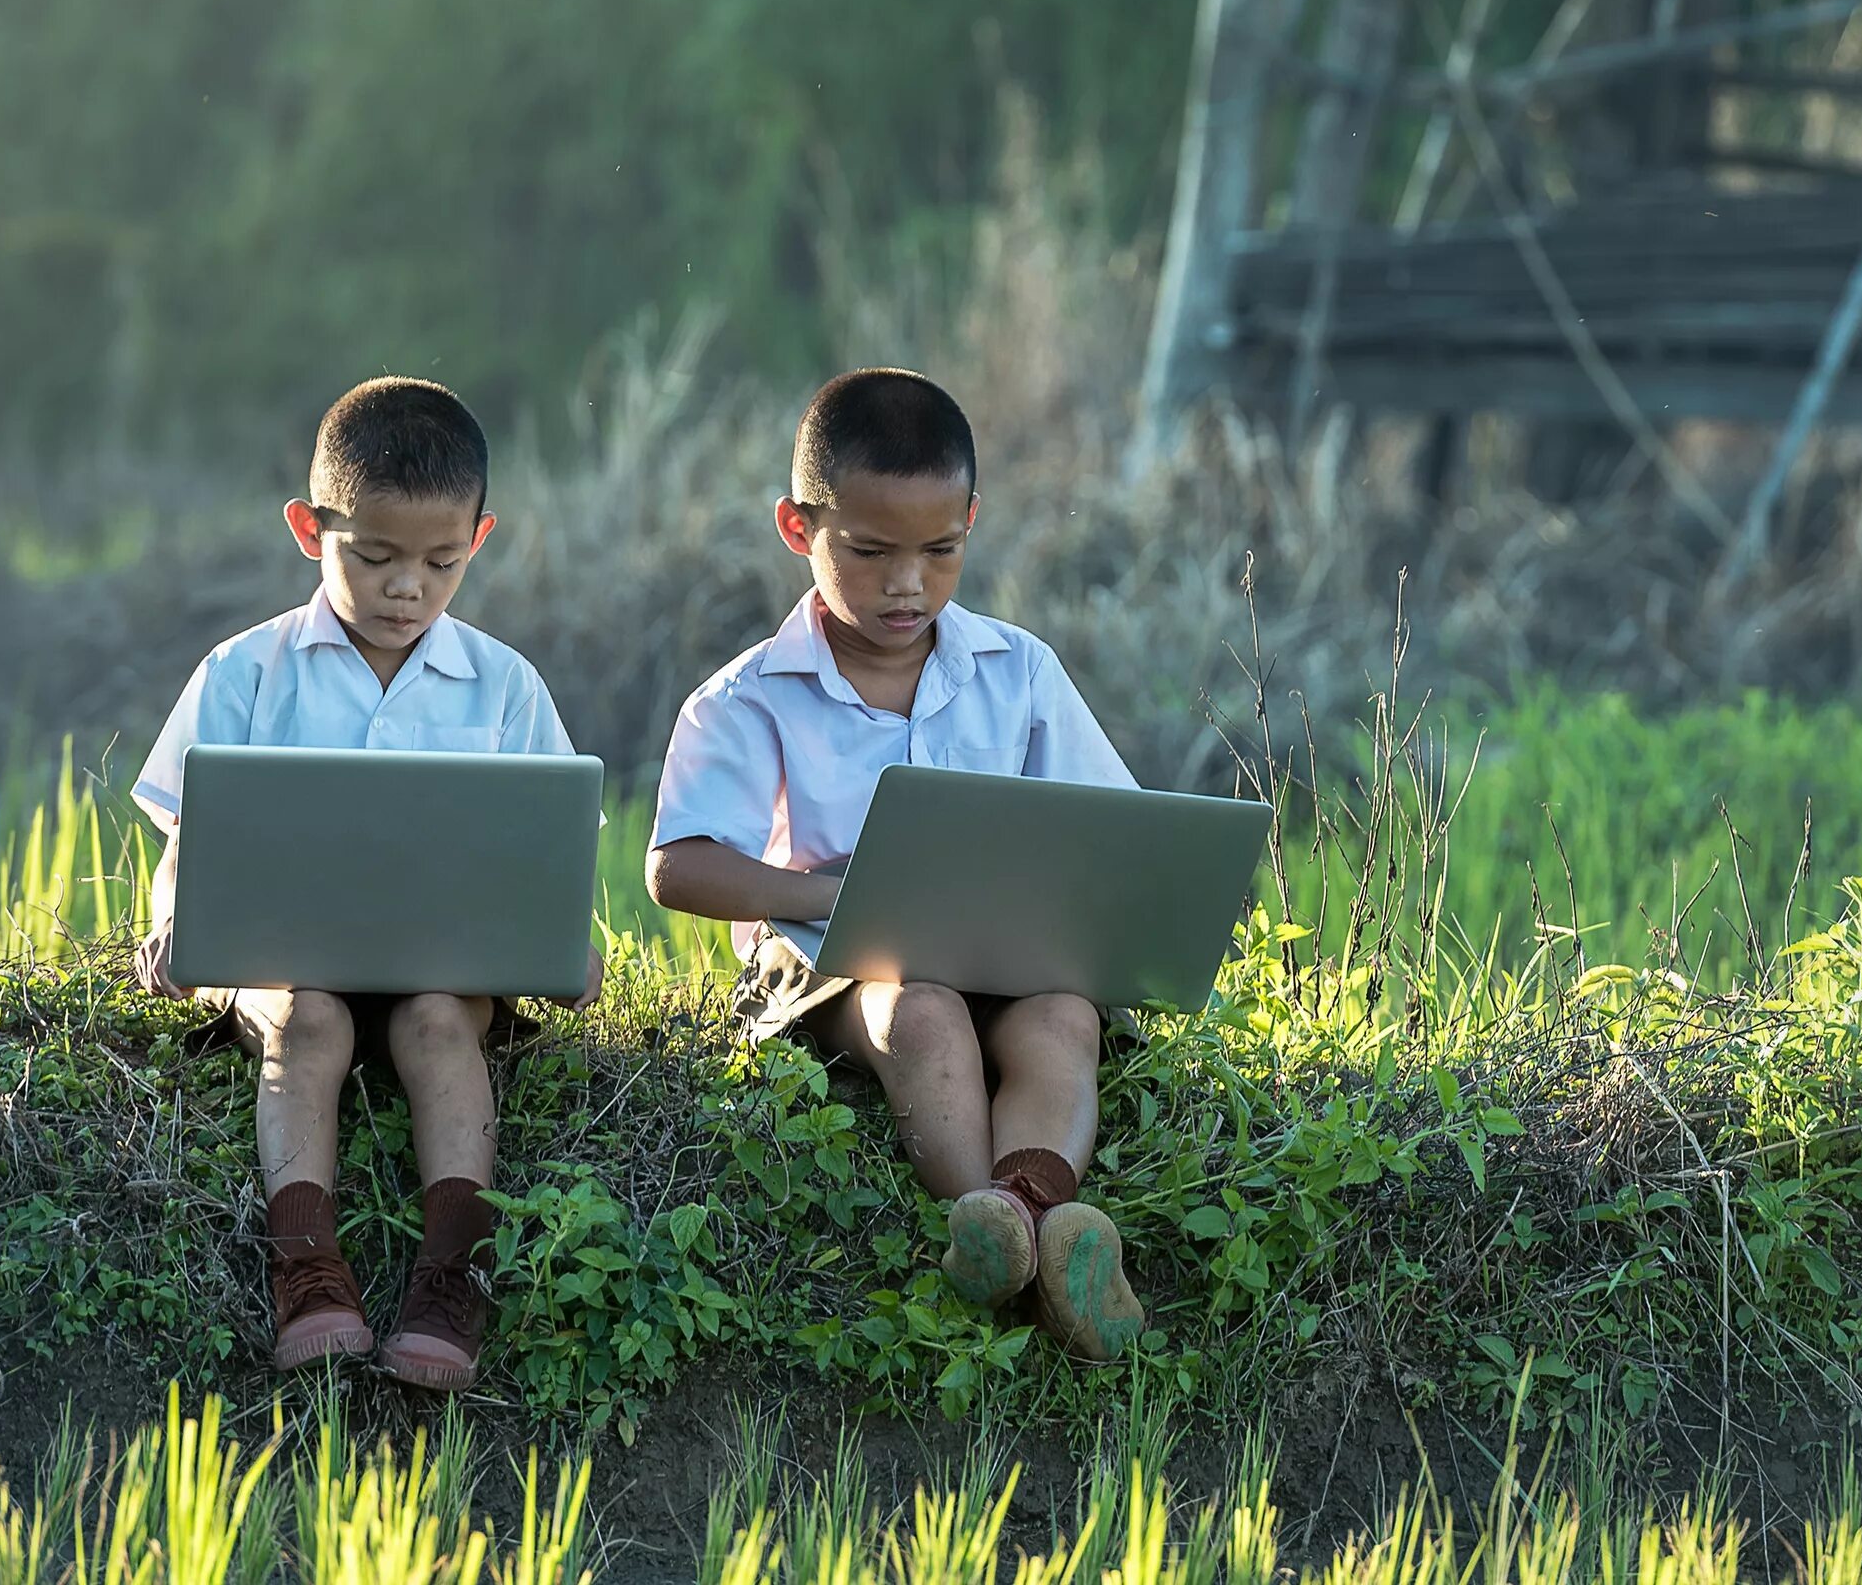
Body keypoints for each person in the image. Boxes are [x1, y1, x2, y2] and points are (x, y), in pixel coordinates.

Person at [642, 368, 1145, 1360]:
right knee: (916, 1010)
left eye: (940, 551)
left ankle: (1021, 1216)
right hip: (835, 950)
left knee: (1062, 1016)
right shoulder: (750, 697)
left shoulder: (1018, 670)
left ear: (971, 522)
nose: (907, 584)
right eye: (869, 553)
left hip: (999, 940)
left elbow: (1110, 824)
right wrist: (829, 895)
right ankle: (1013, 1226)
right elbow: (680, 866)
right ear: (800, 528)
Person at [131, 376, 593, 1392]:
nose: (406, 590)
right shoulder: (245, 673)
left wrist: (566, 944)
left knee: (439, 1022)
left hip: (442, 960)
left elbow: (543, 847)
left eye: (441, 563)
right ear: (310, 528)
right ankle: (306, 1265)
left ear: (481, 535)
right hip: (283, 955)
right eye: (374, 557)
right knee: (309, 1021)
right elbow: (185, 833)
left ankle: (453, 1270)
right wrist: (172, 922)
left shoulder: (507, 686)